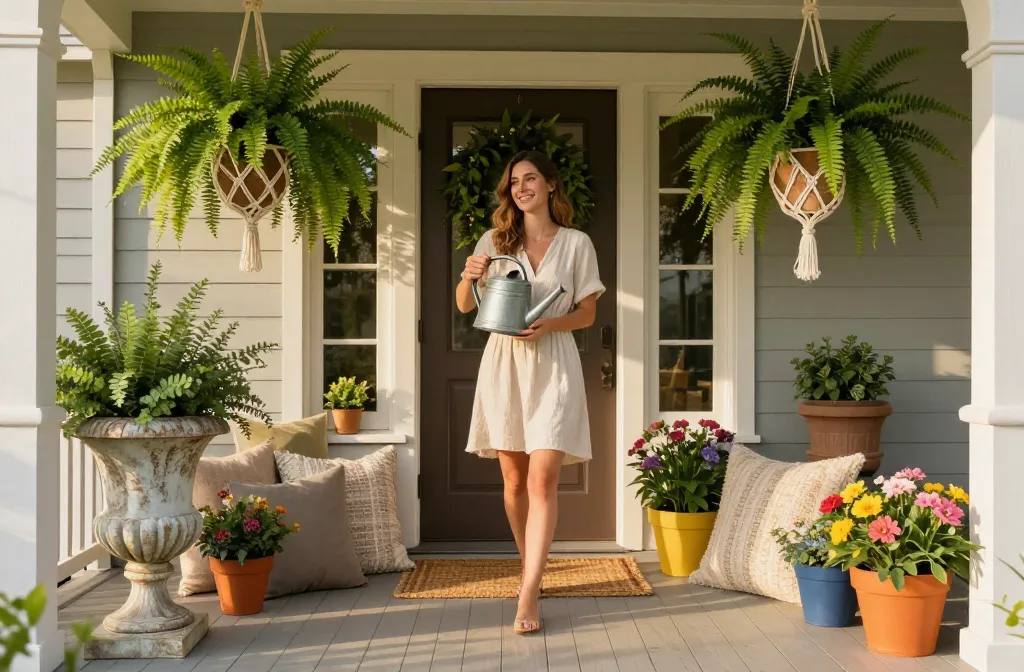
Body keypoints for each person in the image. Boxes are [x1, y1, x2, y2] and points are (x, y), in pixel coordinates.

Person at [455, 149, 605, 634]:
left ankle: (528, 592)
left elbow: (588, 314)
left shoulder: (577, 243)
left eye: (531, 178)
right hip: (503, 366)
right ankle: (531, 569)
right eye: (515, 181)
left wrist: (549, 325)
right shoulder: (496, 241)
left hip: (554, 363)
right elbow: (463, 307)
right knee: (515, 482)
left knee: (542, 480)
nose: (522, 187)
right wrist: (468, 275)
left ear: (551, 185)